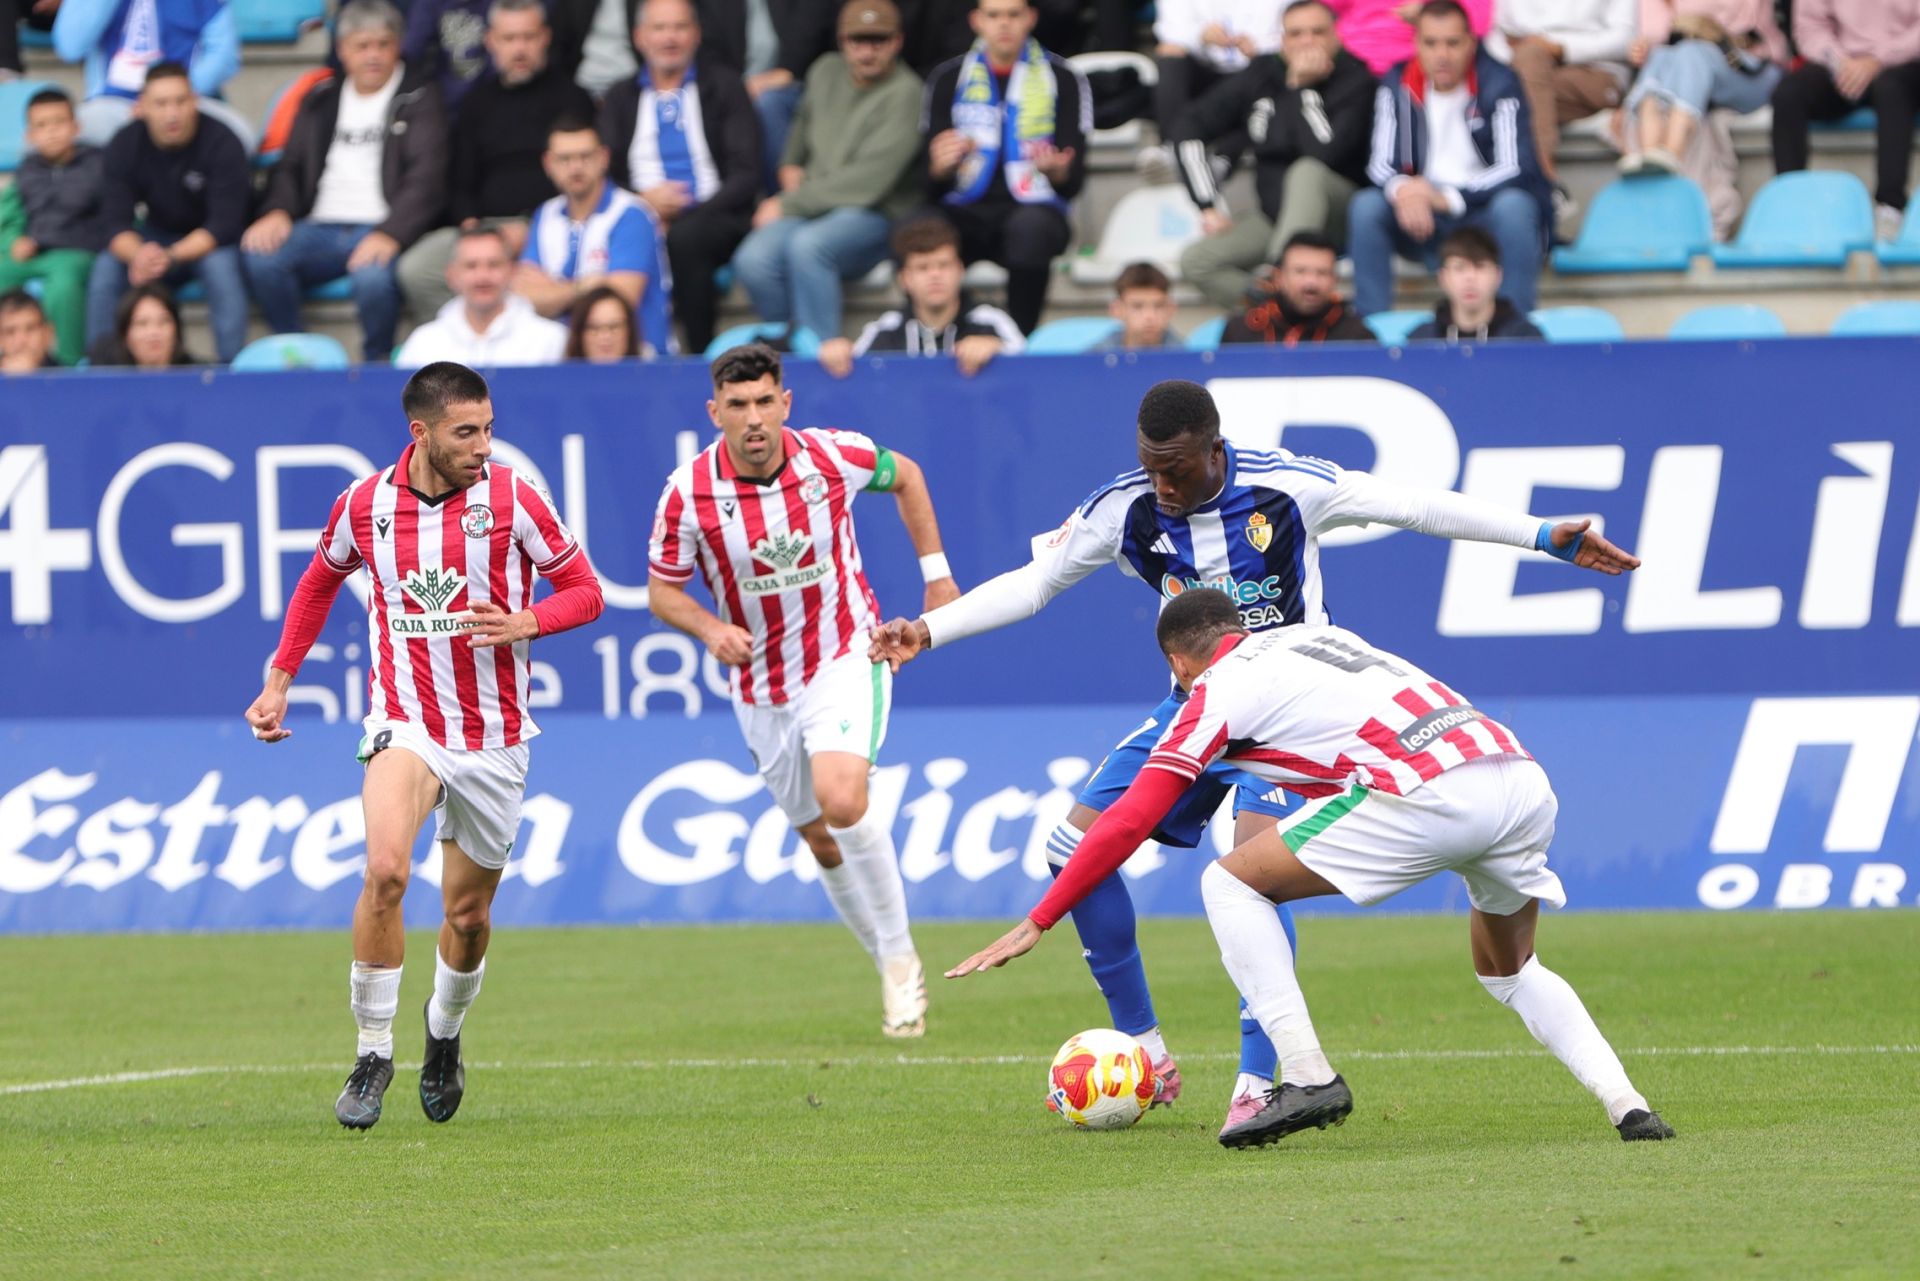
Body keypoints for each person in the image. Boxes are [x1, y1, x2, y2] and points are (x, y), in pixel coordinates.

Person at [868, 378, 1640, 1135]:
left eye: (1176, 467)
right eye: (1150, 465)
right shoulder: (1122, 506)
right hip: (1197, 706)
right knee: (1071, 844)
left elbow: (1413, 505)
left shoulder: (1289, 486)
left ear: (1216, 450)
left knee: (1250, 871)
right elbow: (1035, 584)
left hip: (1295, 712)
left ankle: (1258, 1078)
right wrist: (930, 631)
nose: (1162, 485)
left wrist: (1540, 535)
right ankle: (1144, 1049)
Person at [946, 588, 1675, 1149]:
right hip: (1515, 775)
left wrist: (1039, 918)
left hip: (1423, 790)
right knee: (1510, 968)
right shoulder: (1317, 636)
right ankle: (1629, 1105)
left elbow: (1131, 817)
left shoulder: (1213, 691)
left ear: (1178, 660)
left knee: (1227, 878)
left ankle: (1305, 1075)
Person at [245, 361, 606, 1130]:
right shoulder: (364, 504)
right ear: (422, 433)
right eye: (465, 431)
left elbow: (587, 589)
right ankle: (373, 1049)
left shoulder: (513, 497)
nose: (483, 444)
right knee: (384, 869)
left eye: (488, 427)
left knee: (468, 915)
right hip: (405, 721)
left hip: (495, 738)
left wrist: (527, 621)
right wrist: (279, 679)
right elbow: (317, 582)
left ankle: (442, 1034)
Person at [646, 343, 960, 1037]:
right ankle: (884, 953)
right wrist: (708, 628)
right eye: (738, 405)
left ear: (786, 402)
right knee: (818, 837)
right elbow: (663, 590)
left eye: (765, 402)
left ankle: (901, 959)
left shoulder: (832, 457)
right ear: (715, 412)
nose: (754, 418)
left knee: (843, 800)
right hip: (760, 683)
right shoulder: (688, 492)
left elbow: (905, 474)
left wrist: (936, 575)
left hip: (844, 656)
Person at [242, 0, 449, 363]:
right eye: (362, 45)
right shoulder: (320, 97)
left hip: (380, 226)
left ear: (398, 45)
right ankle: (298, 353)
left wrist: (391, 233)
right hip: (319, 226)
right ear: (342, 50)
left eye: (383, 44)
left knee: (372, 281)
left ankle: (375, 363)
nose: (373, 55)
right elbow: (290, 166)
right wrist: (277, 211)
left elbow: (427, 178)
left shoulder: (420, 97)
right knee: (260, 257)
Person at [730, 0, 924, 343]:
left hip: (875, 214)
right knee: (752, 259)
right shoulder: (825, 70)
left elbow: (868, 183)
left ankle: (820, 353)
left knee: (809, 247)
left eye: (878, 41)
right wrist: (790, 162)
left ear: (897, 42)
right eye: (857, 40)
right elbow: (802, 124)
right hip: (816, 206)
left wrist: (789, 203)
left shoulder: (908, 92)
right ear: (841, 40)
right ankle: (789, 346)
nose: (867, 51)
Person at [1348, 0, 1550, 316]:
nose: (1442, 54)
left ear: (1472, 42)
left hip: (1482, 215)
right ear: (1416, 43)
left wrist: (1447, 197)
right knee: (1367, 206)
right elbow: (1380, 163)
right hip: (1420, 220)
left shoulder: (1500, 82)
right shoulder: (1397, 83)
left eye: (1452, 43)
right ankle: (1370, 327)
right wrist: (1404, 190)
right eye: (1431, 43)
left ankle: (1515, 327)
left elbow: (1516, 165)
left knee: (1515, 206)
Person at [397, 0, 597, 317]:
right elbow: (460, 180)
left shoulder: (573, 98)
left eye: (528, 37)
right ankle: (467, 347)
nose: (519, 49)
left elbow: (582, 175)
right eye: (509, 38)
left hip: (551, 224)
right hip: (482, 227)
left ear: (545, 37)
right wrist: (472, 226)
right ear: (491, 41)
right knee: (416, 269)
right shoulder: (476, 102)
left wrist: (534, 226)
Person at [1174, 0, 1376, 310]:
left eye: (1318, 32)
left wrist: (1302, 89)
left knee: (1306, 171)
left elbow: (1324, 153)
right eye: (1295, 34)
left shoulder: (1357, 77)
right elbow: (1188, 125)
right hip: (1274, 217)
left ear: (1336, 36)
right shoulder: (1261, 73)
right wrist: (1207, 203)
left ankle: (1281, 277)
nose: (1307, 41)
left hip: (1338, 217)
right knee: (1197, 260)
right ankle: (1276, 309)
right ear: (1282, 40)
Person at [599, 0, 762, 353]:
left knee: (688, 238)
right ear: (639, 37)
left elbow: (746, 172)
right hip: (640, 214)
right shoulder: (619, 97)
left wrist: (692, 213)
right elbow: (605, 171)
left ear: (696, 34)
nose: (669, 38)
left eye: (679, 27)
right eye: (659, 28)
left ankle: (700, 354)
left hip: (718, 217)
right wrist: (644, 204)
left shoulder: (725, 86)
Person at [919, 0, 1090, 334]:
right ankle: (936, 336)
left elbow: (1074, 182)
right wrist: (939, 168)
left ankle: (1018, 339)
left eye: (1013, 14)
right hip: (963, 210)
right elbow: (927, 184)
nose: (1004, 24)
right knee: (915, 230)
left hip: (1034, 208)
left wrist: (1057, 171)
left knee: (1031, 231)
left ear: (1031, 18)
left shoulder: (1065, 78)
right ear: (976, 20)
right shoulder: (947, 78)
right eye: (994, 15)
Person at [88, 62, 251, 362]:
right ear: (142, 108)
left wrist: (171, 256)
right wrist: (139, 255)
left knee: (222, 269)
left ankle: (231, 372)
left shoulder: (223, 141)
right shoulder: (125, 143)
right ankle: (99, 373)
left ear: (195, 102)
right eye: (160, 104)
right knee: (107, 267)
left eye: (180, 101)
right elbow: (113, 223)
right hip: (153, 237)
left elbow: (224, 225)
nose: (171, 113)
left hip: (206, 243)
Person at [515, 117, 673, 356]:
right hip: (563, 360)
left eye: (585, 156)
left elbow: (620, 300)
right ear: (548, 163)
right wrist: (586, 285)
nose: (576, 167)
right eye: (565, 159)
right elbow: (524, 300)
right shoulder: (545, 214)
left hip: (637, 361)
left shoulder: (632, 213)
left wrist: (554, 290)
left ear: (603, 158)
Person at [1770, 0, 1920, 242]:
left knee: (1892, 89)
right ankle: (1791, 201)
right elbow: (1810, 28)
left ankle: (1890, 208)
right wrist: (1841, 63)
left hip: (1905, 63)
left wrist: (1877, 60)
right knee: (1788, 94)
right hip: (1841, 67)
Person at [1483, 0, 1634, 221]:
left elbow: (1625, 39)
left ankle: (1543, 179)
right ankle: (1544, 188)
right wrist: (1522, 54)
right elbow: (1495, 35)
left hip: (1595, 73)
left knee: (1516, 87)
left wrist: (1559, 48)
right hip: (1526, 70)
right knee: (1524, 73)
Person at [819, 215, 1023, 375]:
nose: (935, 275)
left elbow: (1031, 367)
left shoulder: (991, 321)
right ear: (904, 279)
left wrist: (997, 349)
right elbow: (851, 370)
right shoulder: (885, 329)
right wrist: (838, 353)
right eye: (922, 268)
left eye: (943, 265)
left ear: (960, 270)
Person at [0, 88, 105, 366]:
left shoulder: (97, 165)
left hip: (75, 252)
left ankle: (70, 365)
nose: (51, 132)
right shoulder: (26, 171)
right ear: (29, 135)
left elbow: (111, 217)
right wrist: (13, 241)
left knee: (63, 288)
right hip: (31, 253)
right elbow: (7, 216)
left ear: (75, 127)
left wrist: (38, 240)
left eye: (59, 122)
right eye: (41, 126)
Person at [1617, 2, 1785, 176]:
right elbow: (1654, 36)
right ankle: (1649, 153)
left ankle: (1672, 153)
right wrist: (1641, 47)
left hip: (1752, 70)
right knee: (1659, 56)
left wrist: (1704, 30)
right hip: (1685, 70)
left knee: (1692, 52)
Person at [51, 0, 241, 146]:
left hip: (183, 103)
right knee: (64, 137)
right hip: (113, 106)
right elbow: (70, 48)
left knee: (239, 135)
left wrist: (168, 100)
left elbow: (224, 57)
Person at [1135, 0, 1282, 184]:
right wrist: (1200, 35)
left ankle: (1223, 159)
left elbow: (1289, 32)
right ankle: (1172, 148)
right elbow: (1169, 30)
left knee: (1269, 71)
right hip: (1203, 72)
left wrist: (1258, 47)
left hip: (1252, 73)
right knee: (1170, 52)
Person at [696, 0, 840, 184]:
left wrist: (788, 69)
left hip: (798, 83)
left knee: (769, 104)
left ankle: (780, 200)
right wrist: (735, 88)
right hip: (734, 86)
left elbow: (810, 28)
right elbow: (710, 48)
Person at [396, 225, 570, 367]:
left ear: (512, 271)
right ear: (452, 275)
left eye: (493, 265)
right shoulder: (424, 343)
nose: (483, 276)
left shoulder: (552, 339)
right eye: (471, 266)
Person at [1221, 228, 1376, 343]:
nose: (1311, 283)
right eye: (1300, 271)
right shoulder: (1242, 330)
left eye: (1322, 273)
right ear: (1279, 277)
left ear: (1334, 280)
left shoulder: (1356, 335)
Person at [1405, 224, 1542, 340]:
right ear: (1443, 277)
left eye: (1480, 266)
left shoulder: (1526, 339)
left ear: (1498, 275)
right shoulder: (1421, 340)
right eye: (1460, 268)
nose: (1470, 277)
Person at [1326, 0, 1489, 76]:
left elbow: (1479, 21)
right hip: (1354, 67)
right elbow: (1319, 11)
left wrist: (1429, 10)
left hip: (1424, 71)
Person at [403, 0, 493, 116]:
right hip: (442, 104)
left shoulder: (499, 4)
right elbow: (411, 52)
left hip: (492, 100)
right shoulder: (429, 4)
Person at [89, 281, 198, 367]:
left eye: (163, 322)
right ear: (125, 335)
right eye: (142, 323)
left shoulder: (198, 377)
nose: (154, 332)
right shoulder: (108, 382)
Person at [1094, 261, 1181, 350]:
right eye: (1137, 306)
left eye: (1158, 306)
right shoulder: (1093, 358)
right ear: (1116, 309)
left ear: (1171, 309)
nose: (1150, 316)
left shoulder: (1187, 359)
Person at [566, 283, 643, 359]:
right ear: (580, 334)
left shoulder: (649, 364)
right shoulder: (563, 370)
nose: (605, 336)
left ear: (629, 331)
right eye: (594, 328)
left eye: (614, 327)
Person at [0, 290, 61, 372]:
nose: (21, 341)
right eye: (10, 332)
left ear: (48, 333)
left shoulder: (70, 377)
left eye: (31, 329)